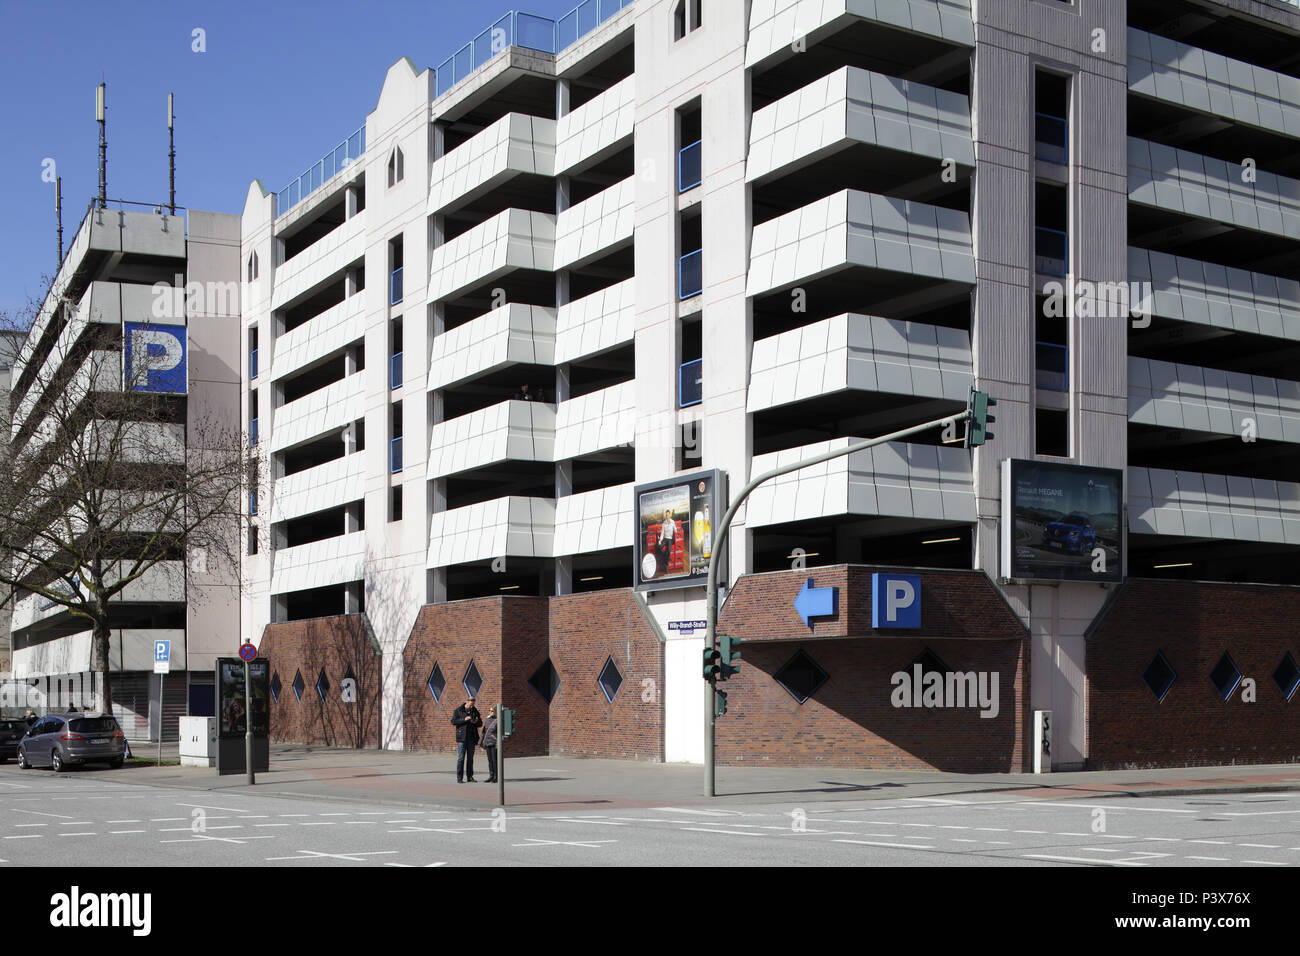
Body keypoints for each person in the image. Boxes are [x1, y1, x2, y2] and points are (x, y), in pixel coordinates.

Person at [450, 697, 482, 783]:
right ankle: (459, 778)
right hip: (462, 738)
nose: (472, 706)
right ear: (466, 702)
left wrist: (476, 722)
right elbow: (453, 721)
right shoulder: (458, 710)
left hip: (472, 738)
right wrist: (464, 720)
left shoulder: (474, 711)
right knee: (461, 758)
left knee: (470, 758)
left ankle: (470, 777)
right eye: (471, 704)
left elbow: (480, 723)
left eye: (473, 704)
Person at [655, 508, 677, 576]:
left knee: (669, 550)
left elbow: (675, 530)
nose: (667, 516)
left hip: (670, 539)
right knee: (658, 546)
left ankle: (666, 565)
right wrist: (660, 540)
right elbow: (662, 533)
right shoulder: (664, 523)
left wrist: (675, 530)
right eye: (666, 515)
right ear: (665, 516)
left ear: (670, 515)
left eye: (668, 515)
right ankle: (665, 557)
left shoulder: (672, 522)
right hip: (665, 538)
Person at [481, 706, 499, 783]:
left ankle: (496, 776)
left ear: (495, 712)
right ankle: (491, 775)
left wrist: (498, 743)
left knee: (495, 760)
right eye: (489, 711)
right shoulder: (487, 720)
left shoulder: (498, 720)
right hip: (488, 742)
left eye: (492, 711)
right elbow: (484, 732)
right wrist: (481, 742)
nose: (490, 712)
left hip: (494, 742)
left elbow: (499, 732)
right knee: (490, 760)